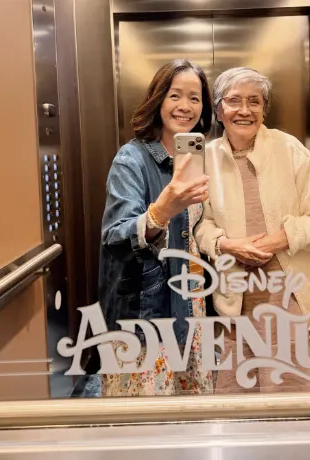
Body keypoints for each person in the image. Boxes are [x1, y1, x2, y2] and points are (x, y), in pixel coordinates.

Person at [194, 67, 310, 394]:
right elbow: (201, 224)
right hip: (234, 296)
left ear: (264, 109)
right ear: (218, 110)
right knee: (236, 393)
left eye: (254, 101)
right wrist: (228, 245)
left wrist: (275, 241)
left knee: (289, 390)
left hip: (289, 294)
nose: (245, 110)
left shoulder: (290, 149)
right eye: (234, 101)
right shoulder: (206, 159)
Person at [98, 59, 215, 396]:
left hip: (191, 306)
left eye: (195, 98)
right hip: (147, 312)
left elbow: (198, 227)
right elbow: (115, 237)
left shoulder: (195, 155)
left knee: (190, 422)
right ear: (158, 99)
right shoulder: (131, 159)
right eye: (175, 95)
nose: (185, 106)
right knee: (145, 425)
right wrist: (160, 212)